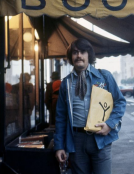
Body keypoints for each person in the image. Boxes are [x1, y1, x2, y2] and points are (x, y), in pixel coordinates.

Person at [54, 38, 126, 174]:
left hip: (100, 139)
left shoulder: (104, 77)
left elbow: (120, 102)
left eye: (82, 52)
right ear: (71, 57)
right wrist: (59, 146)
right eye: (75, 52)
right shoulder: (66, 83)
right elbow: (61, 117)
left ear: (89, 55)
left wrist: (110, 124)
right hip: (76, 141)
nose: (79, 55)